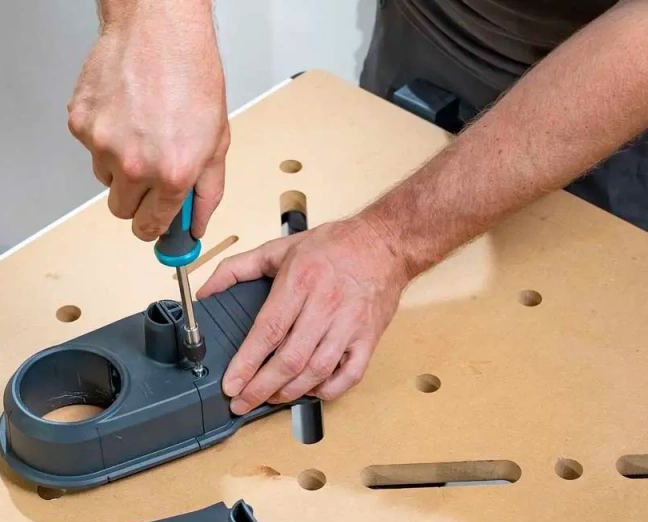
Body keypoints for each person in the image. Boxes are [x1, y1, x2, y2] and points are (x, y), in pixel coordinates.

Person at [68, 0, 648, 415]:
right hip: (438, 29)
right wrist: (156, 25)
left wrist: (387, 241)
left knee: (568, 380)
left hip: (620, 92)